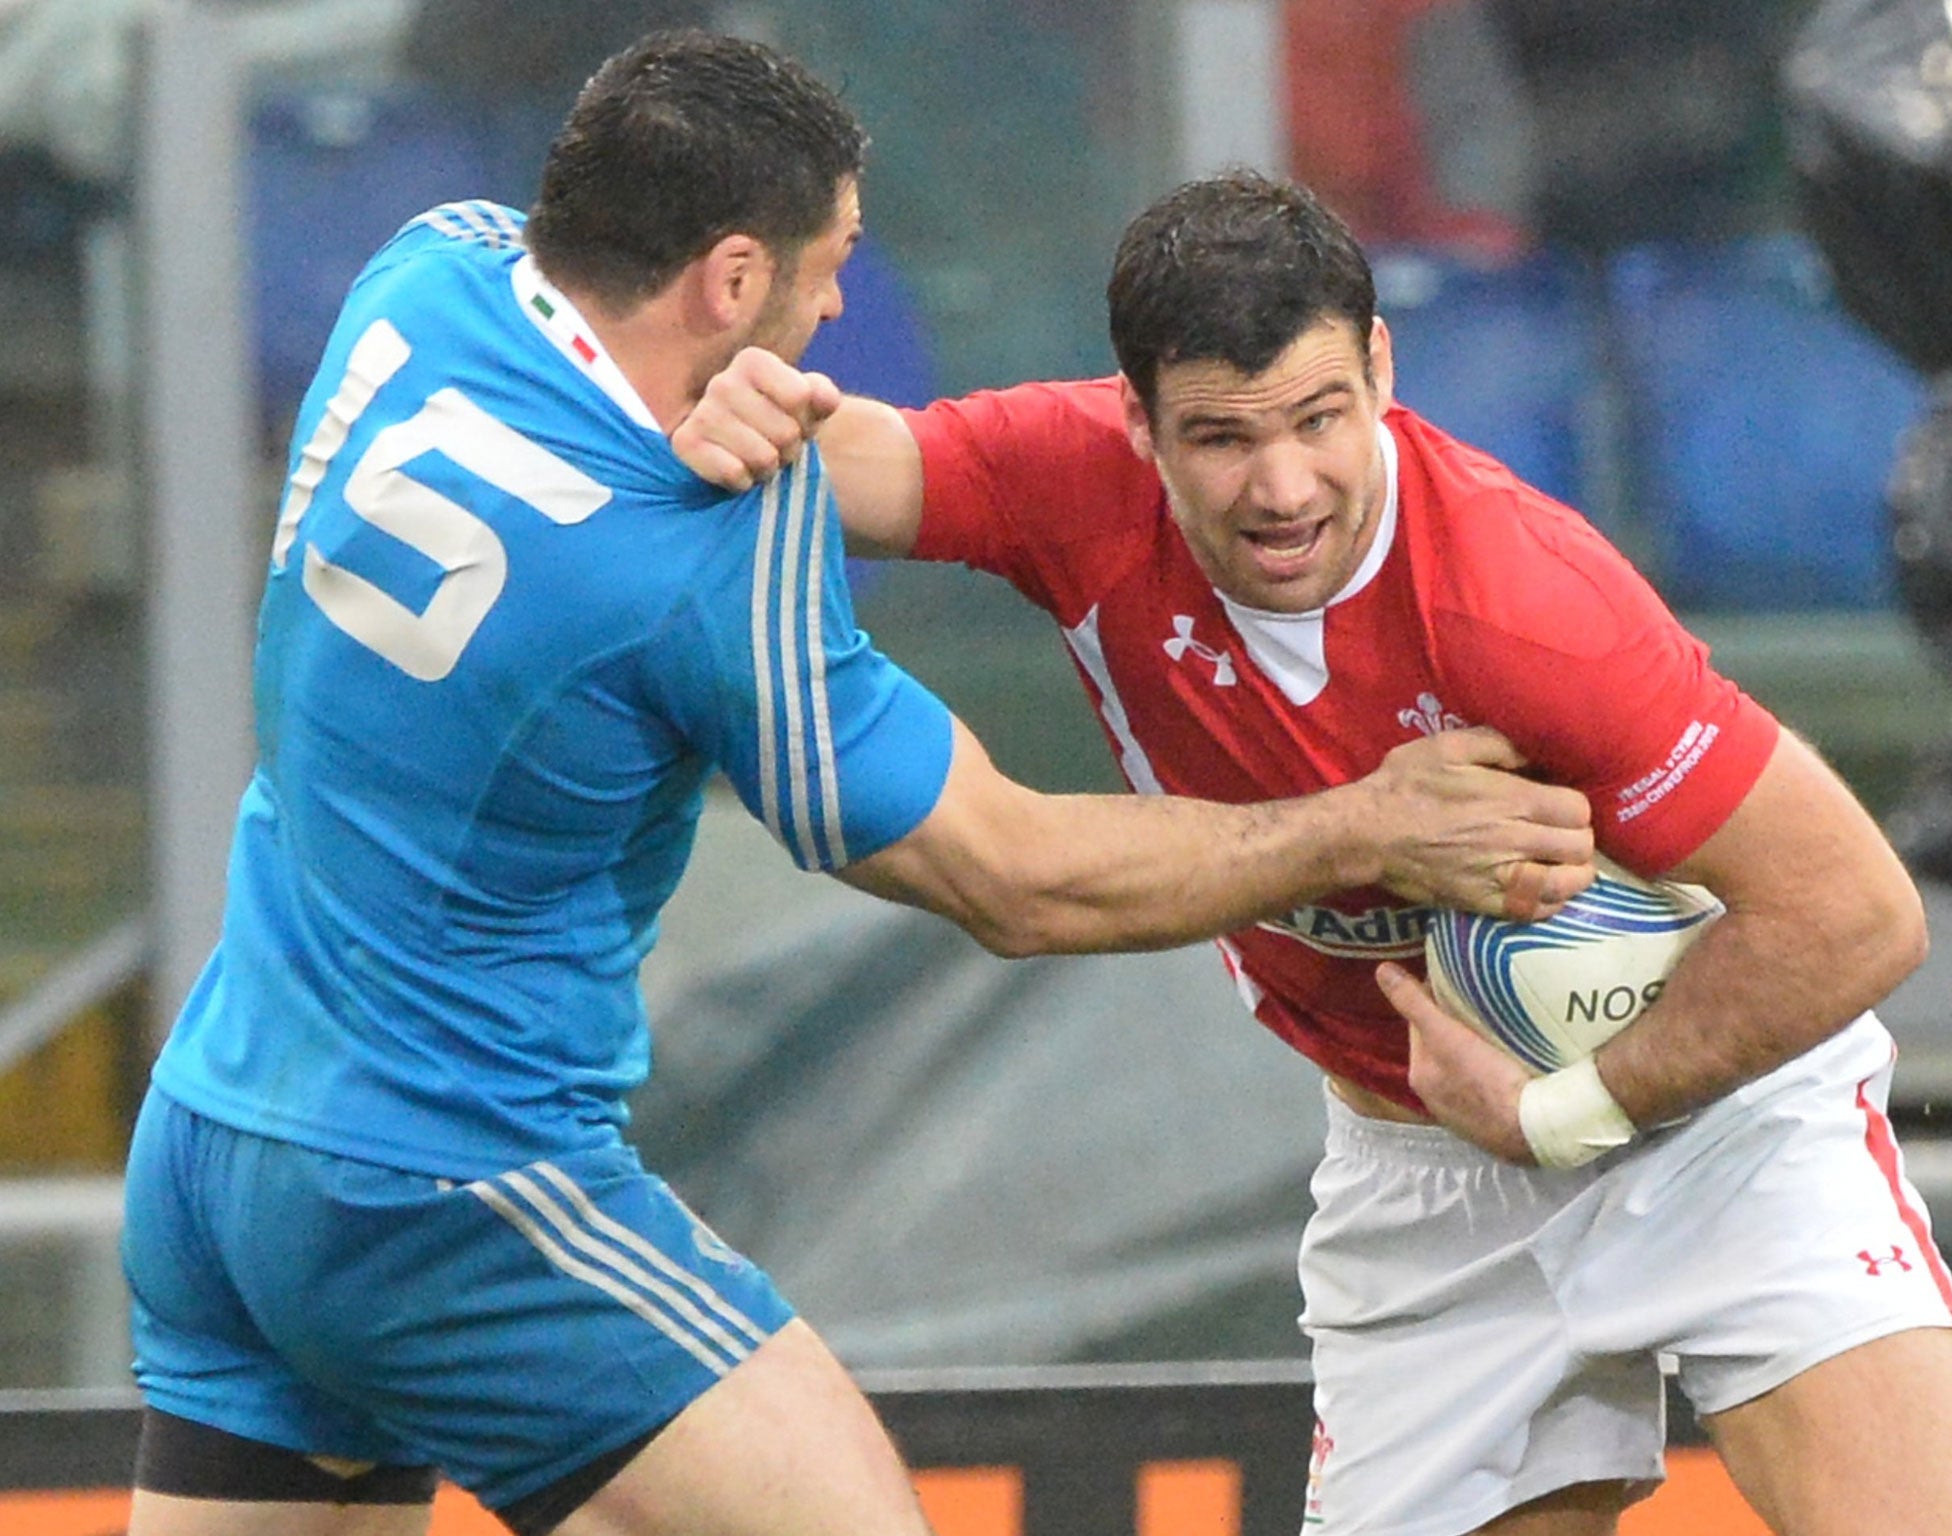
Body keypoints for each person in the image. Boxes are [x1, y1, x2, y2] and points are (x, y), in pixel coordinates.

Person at [117, 35, 1600, 1536]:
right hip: (443, 1182)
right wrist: (1365, 824)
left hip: (214, 1138)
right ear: (732, 277)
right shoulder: (702, 550)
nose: (836, 311)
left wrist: (714, 401)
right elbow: (1017, 878)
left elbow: (579, 348)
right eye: (826, 269)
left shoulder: (424, 274)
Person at [674, 170, 1952, 1536]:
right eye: (1220, 437)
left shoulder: (1524, 605)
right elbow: (822, 462)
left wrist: (1566, 1110)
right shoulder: (1069, 484)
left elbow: (1858, 913)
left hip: (1716, 1131)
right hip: (1427, 1181)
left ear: (1380, 368)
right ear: (1135, 420)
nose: (1282, 488)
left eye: (1320, 418)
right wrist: (715, 413)